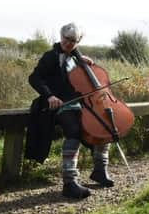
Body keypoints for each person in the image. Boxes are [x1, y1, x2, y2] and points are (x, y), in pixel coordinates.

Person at [28, 22, 114, 199]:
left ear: (78, 42)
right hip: (57, 105)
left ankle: (100, 170)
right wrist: (49, 96)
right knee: (74, 131)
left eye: (73, 41)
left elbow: (85, 83)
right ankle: (69, 182)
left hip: (79, 104)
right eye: (66, 39)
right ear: (61, 37)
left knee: (103, 126)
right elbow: (34, 78)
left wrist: (89, 65)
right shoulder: (51, 56)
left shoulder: (77, 58)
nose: (68, 43)